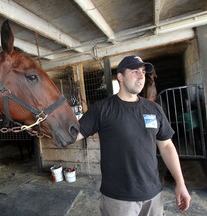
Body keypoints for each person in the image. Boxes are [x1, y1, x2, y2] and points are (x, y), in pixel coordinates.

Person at [76, 55, 191, 216]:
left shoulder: (154, 109)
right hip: (118, 199)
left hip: (153, 195)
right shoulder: (102, 109)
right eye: (135, 71)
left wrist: (181, 183)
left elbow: (166, 146)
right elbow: (73, 135)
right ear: (120, 77)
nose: (142, 75)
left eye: (143, 71)